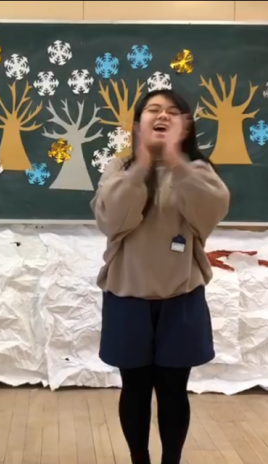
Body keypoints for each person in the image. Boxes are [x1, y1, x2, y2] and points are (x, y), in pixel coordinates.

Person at [91, 89, 230, 464]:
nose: (162, 115)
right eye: (153, 110)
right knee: (134, 388)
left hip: (181, 298)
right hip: (127, 297)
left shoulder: (198, 170)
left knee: (173, 390)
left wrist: (174, 162)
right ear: (138, 125)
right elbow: (113, 221)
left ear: (186, 125)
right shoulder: (119, 170)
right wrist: (141, 165)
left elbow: (210, 210)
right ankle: (139, 459)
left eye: (172, 111)